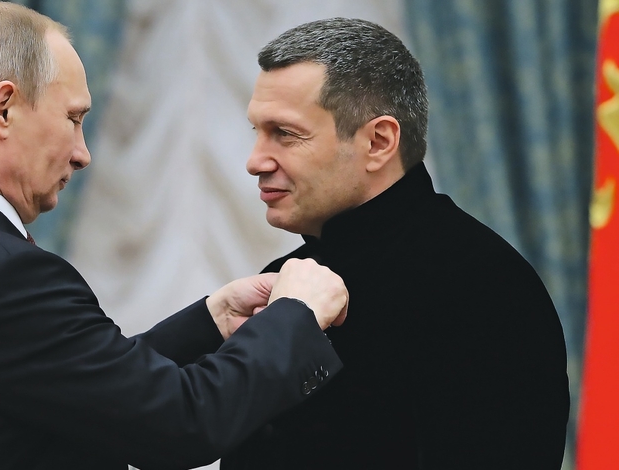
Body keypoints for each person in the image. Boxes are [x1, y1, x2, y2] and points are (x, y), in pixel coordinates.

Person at [0, 4, 350, 470]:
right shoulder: (5, 274)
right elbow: (180, 425)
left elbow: (66, 383)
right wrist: (295, 316)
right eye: (73, 118)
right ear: (3, 108)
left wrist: (210, 321)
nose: (82, 154)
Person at [221, 18, 570, 470]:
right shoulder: (283, 276)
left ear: (378, 142)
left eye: (285, 134)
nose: (255, 162)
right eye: (257, 132)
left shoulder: (485, 287)